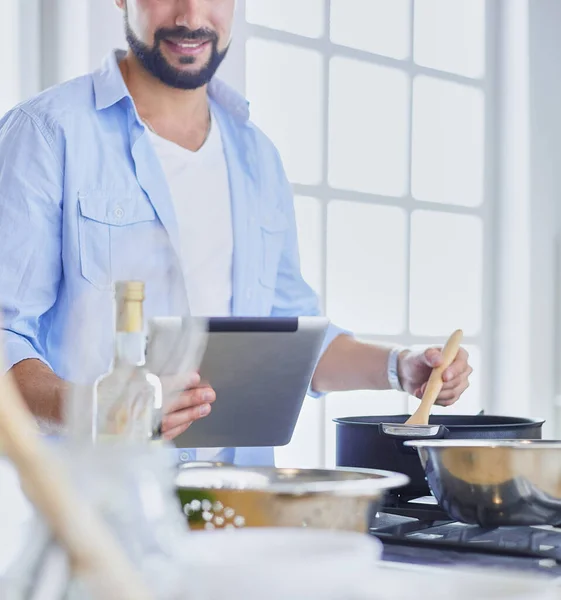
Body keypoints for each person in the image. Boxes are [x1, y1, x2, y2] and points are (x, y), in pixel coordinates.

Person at [0, 0, 472, 466]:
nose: (190, 15)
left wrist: (402, 367)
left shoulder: (258, 158)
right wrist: (90, 410)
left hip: (242, 512)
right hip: (97, 513)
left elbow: (292, 339)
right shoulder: (46, 134)